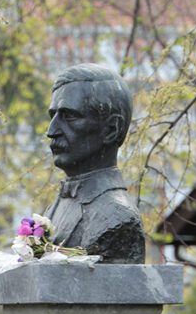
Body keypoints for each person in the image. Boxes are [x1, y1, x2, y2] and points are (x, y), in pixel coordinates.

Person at [45, 63, 146, 265]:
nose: (51, 131)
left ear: (111, 129)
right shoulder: (55, 207)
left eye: (69, 116)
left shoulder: (118, 217)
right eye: (53, 116)